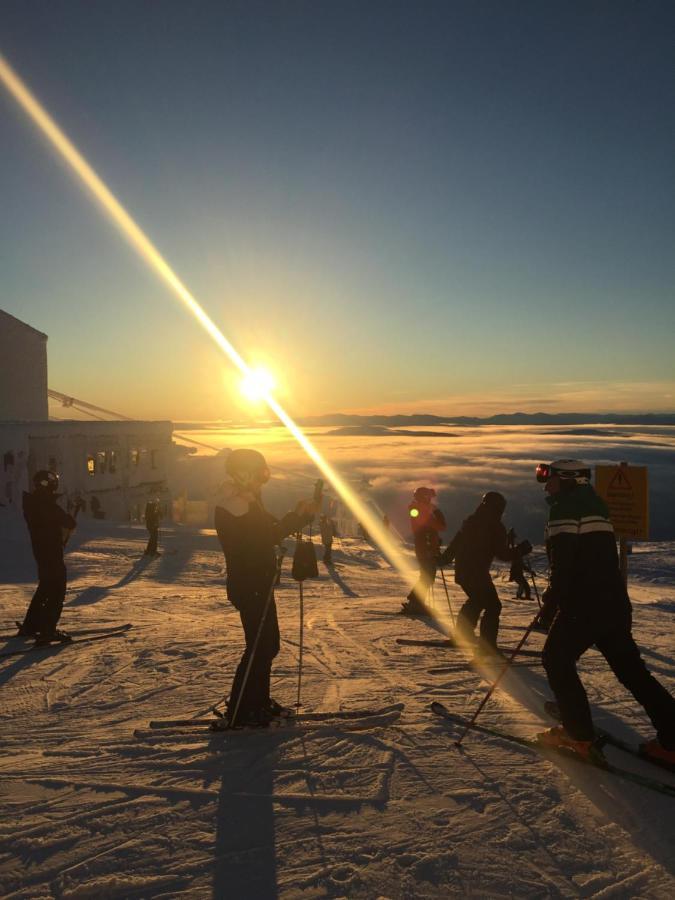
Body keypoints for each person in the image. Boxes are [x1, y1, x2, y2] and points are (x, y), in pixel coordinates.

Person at [535, 459, 675, 765]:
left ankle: (578, 736)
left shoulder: (564, 508)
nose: (546, 485)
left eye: (551, 478)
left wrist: (548, 607)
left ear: (571, 480)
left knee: (556, 659)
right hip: (614, 604)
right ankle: (673, 740)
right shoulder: (597, 505)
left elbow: (563, 565)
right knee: (631, 671)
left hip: (583, 606)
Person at [214, 449, 318, 728]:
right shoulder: (236, 507)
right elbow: (266, 535)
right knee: (260, 647)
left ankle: (257, 701)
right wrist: (294, 518)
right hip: (249, 585)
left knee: (267, 645)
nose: (261, 482)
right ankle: (242, 709)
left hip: (257, 582)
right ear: (244, 473)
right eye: (259, 475)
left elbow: (271, 525)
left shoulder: (246, 502)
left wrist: (298, 516)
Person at [439, 492, 531, 652]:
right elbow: (503, 554)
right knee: (493, 606)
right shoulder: (495, 526)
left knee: (476, 600)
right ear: (499, 508)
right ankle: (486, 647)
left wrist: (443, 559)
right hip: (478, 573)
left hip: (463, 572)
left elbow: (455, 544)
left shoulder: (470, 522)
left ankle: (462, 635)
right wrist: (521, 550)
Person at [18, 470, 76, 644]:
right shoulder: (45, 504)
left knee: (45, 587)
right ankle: (47, 630)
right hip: (51, 552)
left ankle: (31, 625)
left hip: (42, 553)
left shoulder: (33, 502)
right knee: (56, 590)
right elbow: (67, 522)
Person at [401, 487, 446, 616]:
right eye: (429, 498)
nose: (431, 500)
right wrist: (436, 511)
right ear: (424, 497)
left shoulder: (418, 509)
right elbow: (441, 526)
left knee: (427, 576)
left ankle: (416, 601)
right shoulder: (420, 510)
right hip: (426, 548)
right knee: (428, 576)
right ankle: (415, 602)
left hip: (425, 546)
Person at [507, 528, 531, 600]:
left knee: (526, 586)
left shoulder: (519, 555)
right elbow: (510, 548)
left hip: (518, 574)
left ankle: (526, 596)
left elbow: (523, 566)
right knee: (522, 584)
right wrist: (510, 539)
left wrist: (530, 571)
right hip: (516, 574)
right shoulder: (516, 554)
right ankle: (519, 596)